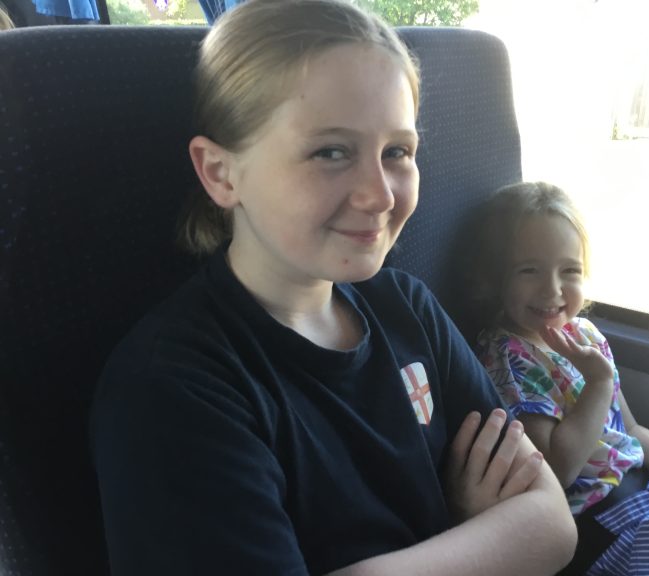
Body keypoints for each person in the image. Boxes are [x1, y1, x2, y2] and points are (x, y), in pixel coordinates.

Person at [89, 2, 577, 575]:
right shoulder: (175, 389)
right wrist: (469, 527)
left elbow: (552, 523)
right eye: (331, 152)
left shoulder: (407, 307)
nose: (381, 194)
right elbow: (526, 533)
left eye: (397, 152)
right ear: (221, 173)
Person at [465, 181, 649, 575]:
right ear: (495, 279)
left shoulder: (584, 335)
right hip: (608, 531)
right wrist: (598, 383)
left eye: (569, 270)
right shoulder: (506, 360)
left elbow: (632, 430)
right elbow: (557, 469)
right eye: (529, 271)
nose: (553, 289)